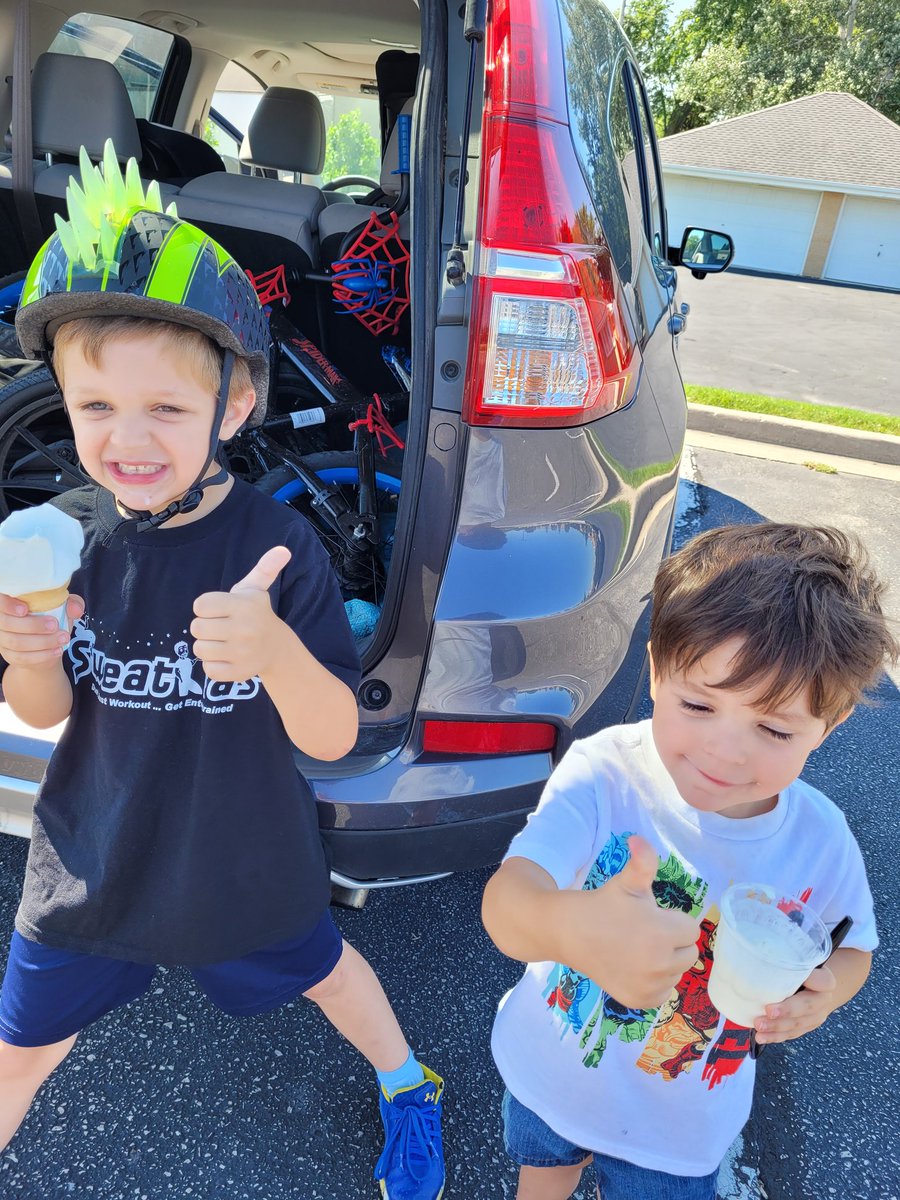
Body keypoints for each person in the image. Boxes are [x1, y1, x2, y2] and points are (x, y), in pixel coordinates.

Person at [0, 145, 444, 1200]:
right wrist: (27, 658)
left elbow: (333, 738)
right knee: (21, 1043)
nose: (128, 440)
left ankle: (409, 1084)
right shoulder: (70, 542)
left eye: (166, 408)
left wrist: (278, 654)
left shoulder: (278, 547)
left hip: (245, 855)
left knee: (332, 976)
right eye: (96, 407)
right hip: (94, 858)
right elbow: (48, 710)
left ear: (234, 408)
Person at [481, 521, 897, 1200]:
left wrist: (823, 995)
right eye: (698, 704)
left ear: (833, 725)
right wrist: (566, 928)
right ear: (654, 671)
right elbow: (508, 902)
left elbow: (855, 947)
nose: (725, 751)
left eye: (773, 727)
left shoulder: (820, 840)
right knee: (543, 1169)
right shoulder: (604, 771)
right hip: (550, 1067)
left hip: (677, 1125)